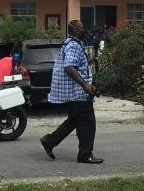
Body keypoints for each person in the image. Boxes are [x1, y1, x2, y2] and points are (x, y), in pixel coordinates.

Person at [40, 20, 103, 164]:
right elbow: (69, 67)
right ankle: (85, 155)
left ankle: (49, 141)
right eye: (80, 28)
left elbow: (77, 64)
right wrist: (85, 85)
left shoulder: (70, 43)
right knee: (88, 122)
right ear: (74, 30)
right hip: (78, 92)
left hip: (74, 92)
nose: (83, 30)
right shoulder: (73, 45)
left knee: (74, 120)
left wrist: (90, 60)